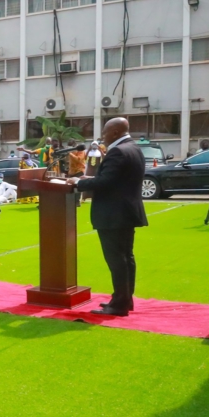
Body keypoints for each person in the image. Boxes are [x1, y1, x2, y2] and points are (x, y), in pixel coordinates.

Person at [69, 117, 147, 317]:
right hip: (126, 212)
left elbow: (106, 183)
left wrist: (78, 182)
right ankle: (124, 299)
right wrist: (90, 179)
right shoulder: (133, 148)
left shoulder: (117, 152)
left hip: (114, 214)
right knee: (126, 258)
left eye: (104, 133)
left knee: (117, 260)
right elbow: (115, 180)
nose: (102, 137)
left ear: (114, 133)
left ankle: (119, 305)